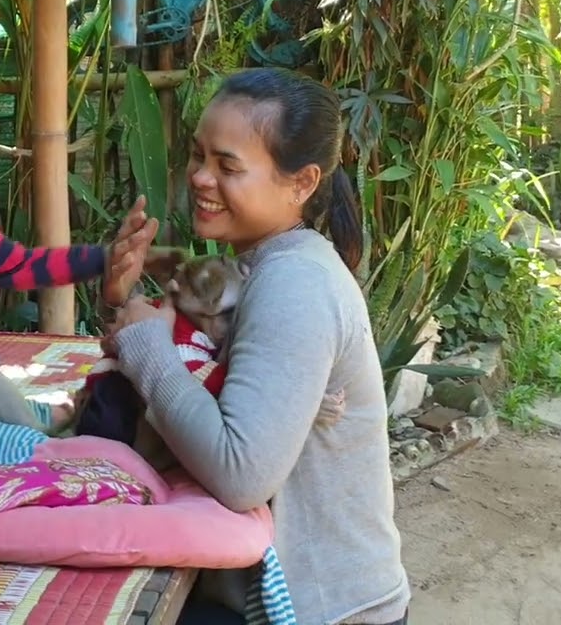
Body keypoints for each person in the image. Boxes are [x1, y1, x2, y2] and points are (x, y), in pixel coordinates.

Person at [104, 68, 410, 625]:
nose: (199, 177)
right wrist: (126, 310)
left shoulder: (296, 283)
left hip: (319, 609)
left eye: (227, 166)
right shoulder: (259, 265)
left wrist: (149, 350)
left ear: (302, 183)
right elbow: (209, 381)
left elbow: (240, 473)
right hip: (261, 590)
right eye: (199, 157)